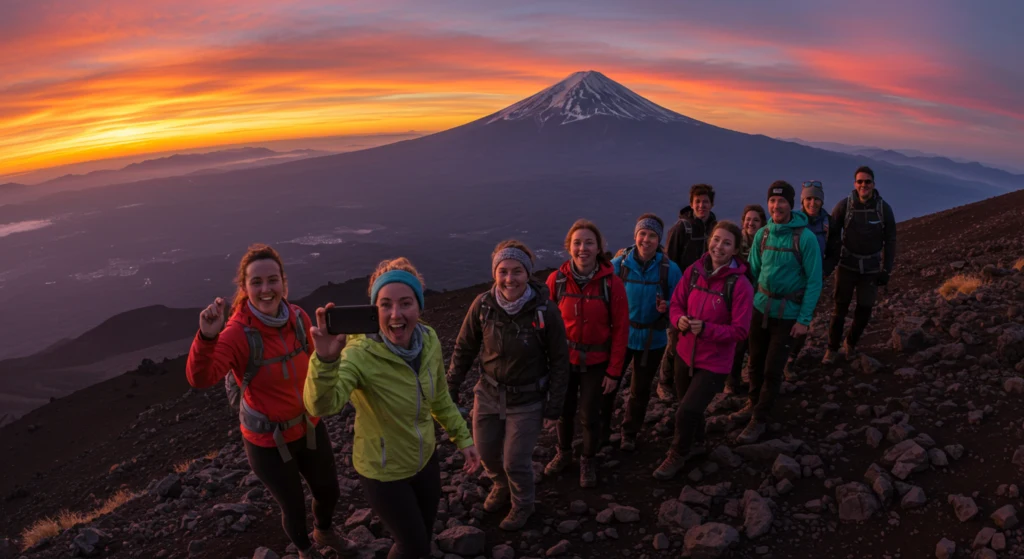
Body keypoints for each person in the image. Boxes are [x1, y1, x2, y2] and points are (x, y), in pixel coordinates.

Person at [303, 258, 481, 559]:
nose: (396, 314)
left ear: (419, 306)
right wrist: (325, 361)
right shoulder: (359, 353)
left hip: (424, 460)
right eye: (385, 305)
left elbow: (439, 398)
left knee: (421, 538)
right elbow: (323, 405)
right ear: (375, 310)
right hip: (383, 473)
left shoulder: (429, 341)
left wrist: (463, 439)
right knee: (413, 546)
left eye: (405, 303)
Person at [187, 244, 347, 559]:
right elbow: (201, 378)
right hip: (267, 441)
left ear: (283, 283)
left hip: (309, 427)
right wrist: (207, 337)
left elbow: (316, 363)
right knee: (293, 506)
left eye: (272, 280)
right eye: (256, 282)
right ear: (245, 288)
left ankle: (325, 532)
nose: (266, 288)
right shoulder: (236, 333)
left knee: (329, 491)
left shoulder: (299, 318)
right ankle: (305, 550)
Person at [448, 240, 570, 531]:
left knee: (516, 460)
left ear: (528, 273)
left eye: (517, 271)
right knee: (486, 452)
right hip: (488, 394)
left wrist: (554, 407)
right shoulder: (483, 306)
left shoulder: (545, 311)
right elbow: (464, 349)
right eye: (503, 271)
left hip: (528, 399)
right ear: (494, 273)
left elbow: (560, 361)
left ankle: (523, 504)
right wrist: (449, 388)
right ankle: (501, 486)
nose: (509, 279)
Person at [654, 221, 753, 479]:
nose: (719, 246)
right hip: (684, 353)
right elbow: (676, 303)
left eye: (727, 242)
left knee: (686, 411)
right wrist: (678, 320)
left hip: (714, 362)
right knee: (690, 407)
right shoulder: (694, 271)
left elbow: (741, 331)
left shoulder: (740, 285)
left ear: (735, 249)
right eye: (717, 239)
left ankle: (678, 453)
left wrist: (706, 329)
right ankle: (697, 444)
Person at [730, 181, 822, 444]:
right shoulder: (763, 235)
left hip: (788, 314)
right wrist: (745, 310)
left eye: (781, 201)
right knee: (755, 363)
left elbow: (814, 281)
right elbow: (753, 274)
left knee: (773, 369)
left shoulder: (805, 238)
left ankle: (760, 419)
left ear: (791, 204)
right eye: (772, 201)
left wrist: (804, 320)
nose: (776, 206)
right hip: (760, 309)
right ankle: (753, 403)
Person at [543, 220, 629, 488]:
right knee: (563, 411)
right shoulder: (555, 281)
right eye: (577, 243)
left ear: (599, 247)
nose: (583, 248)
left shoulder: (612, 284)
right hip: (563, 361)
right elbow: (543, 325)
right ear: (568, 247)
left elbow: (621, 329)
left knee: (589, 414)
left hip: (596, 362)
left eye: (589, 242)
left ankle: (588, 459)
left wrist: (614, 371)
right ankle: (564, 453)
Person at [610, 214, 683, 451]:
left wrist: (669, 307)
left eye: (652, 235)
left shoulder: (669, 270)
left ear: (659, 240)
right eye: (643, 234)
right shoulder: (619, 265)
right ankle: (601, 429)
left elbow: (682, 302)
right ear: (635, 236)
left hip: (653, 339)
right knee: (609, 385)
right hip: (621, 337)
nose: (646, 240)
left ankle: (629, 433)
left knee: (640, 390)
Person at [823, 166, 897, 364]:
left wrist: (886, 270)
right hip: (846, 266)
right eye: (860, 181)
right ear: (854, 184)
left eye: (867, 181)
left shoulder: (883, 209)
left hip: (871, 269)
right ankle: (831, 349)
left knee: (864, 310)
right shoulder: (844, 206)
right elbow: (832, 237)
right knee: (840, 310)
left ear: (874, 184)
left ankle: (851, 344)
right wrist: (830, 263)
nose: (863, 185)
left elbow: (890, 240)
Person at [660, 184, 718, 399]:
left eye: (705, 201)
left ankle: (689, 379)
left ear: (712, 203)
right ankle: (665, 382)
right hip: (683, 292)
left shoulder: (714, 227)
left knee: (697, 336)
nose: (701, 205)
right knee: (676, 338)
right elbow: (670, 264)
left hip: (706, 293)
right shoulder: (681, 228)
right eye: (698, 201)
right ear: (692, 203)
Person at [784, 181, 840, 380]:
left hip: (812, 283)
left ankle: (790, 360)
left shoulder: (828, 223)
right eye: (809, 198)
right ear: (802, 200)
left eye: (816, 199)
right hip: (791, 279)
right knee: (784, 318)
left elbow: (834, 252)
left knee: (803, 320)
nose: (813, 203)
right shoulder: (793, 220)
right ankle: (778, 359)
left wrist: (822, 273)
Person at [725, 204, 766, 394]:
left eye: (756, 220)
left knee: (756, 342)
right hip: (737, 299)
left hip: (760, 298)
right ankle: (731, 381)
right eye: (748, 219)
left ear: (762, 223)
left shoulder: (767, 242)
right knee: (738, 343)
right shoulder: (734, 243)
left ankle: (752, 380)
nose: (751, 223)